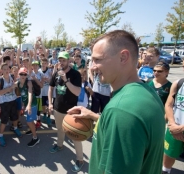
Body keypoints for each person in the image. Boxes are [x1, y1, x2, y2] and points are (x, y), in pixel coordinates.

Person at [67, 30, 165, 174]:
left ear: (123, 57)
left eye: (98, 59)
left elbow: (124, 118)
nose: (93, 67)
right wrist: (96, 117)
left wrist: (113, 116)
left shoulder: (121, 110)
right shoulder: (147, 92)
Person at [48, 51, 84, 172]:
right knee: (59, 129)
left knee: (74, 135)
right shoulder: (56, 73)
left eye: (64, 60)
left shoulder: (75, 75)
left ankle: (80, 159)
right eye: (60, 60)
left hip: (71, 111)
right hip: (58, 109)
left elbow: (77, 92)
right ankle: (59, 145)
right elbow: (50, 87)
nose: (61, 62)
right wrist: (50, 103)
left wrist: (66, 80)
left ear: (69, 61)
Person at [0, 63, 21, 147]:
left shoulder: (12, 77)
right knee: (4, 120)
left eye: (7, 68)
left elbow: (15, 87)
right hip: (4, 103)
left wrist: (15, 86)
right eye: (4, 69)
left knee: (15, 117)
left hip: (13, 100)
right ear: (1, 71)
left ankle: (15, 128)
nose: (6, 70)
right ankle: (0, 136)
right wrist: (7, 90)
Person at [162, 77, 184, 174]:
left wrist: (180, 128)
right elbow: (169, 105)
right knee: (169, 154)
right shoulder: (178, 83)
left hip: (177, 129)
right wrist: (172, 124)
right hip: (174, 129)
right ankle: (165, 171)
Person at [17, 67, 40, 147]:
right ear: (18, 74)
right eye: (21, 74)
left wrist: (29, 105)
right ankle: (32, 129)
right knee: (30, 120)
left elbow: (30, 93)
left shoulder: (28, 82)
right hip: (27, 105)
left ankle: (35, 138)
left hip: (32, 104)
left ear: (26, 75)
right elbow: (10, 89)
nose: (23, 75)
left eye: (24, 74)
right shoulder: (18, 83)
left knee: (29, 121)